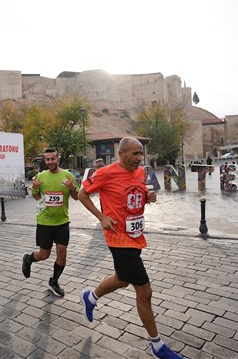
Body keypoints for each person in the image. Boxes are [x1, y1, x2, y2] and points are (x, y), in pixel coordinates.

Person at [77, 137, 182, 359]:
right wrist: (101, 216)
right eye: (135, 154)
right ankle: (157, 346)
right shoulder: (105, 173)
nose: (139, 158)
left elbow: (134, 195)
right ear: (121, 154)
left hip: (135, 236)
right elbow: (81, 194)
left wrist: (147, 197)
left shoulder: (140, 172)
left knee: (122, 279)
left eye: (141, 154)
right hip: (118, 238)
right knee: (144, 291)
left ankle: (90, 297)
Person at [21, 148, 79, 297]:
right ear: (45, 161)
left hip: (62, 222)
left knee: (62, 253)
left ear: (58, 159)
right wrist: (35, 188)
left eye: (53, 159)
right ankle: (28, 259)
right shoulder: (41, 176)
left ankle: (54, 281)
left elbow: (76, 196)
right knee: (44, 254)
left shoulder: (68, 175)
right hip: (45, 222)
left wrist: (72, 188)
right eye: (48, 159)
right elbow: (36, 197)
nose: (50, 162)